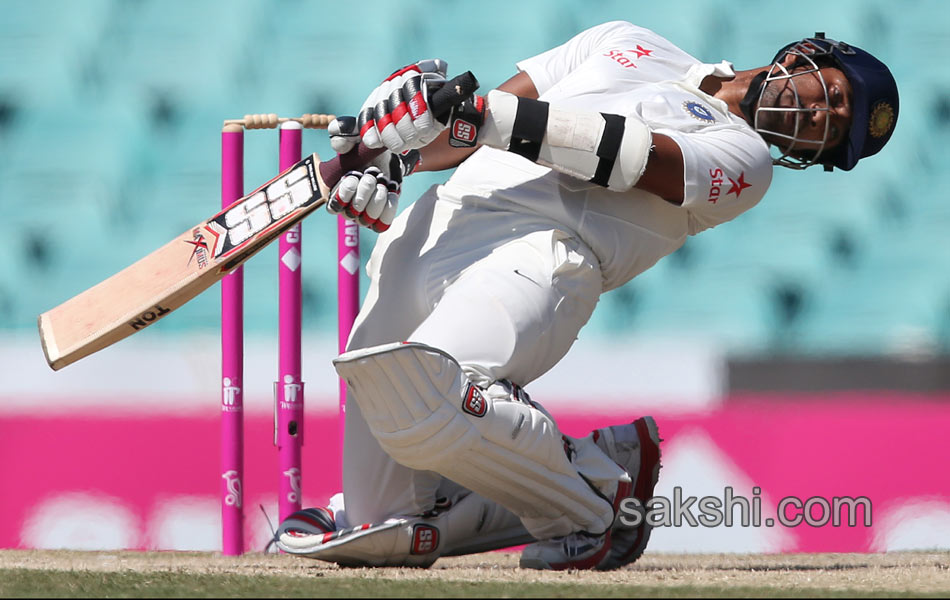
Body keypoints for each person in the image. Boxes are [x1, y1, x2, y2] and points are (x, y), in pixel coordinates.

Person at [273, 21, 898, 570]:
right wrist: (395, 147)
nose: (822, 117)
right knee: (385, 514)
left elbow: (627, 157)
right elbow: (468, 130)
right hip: (437, 228)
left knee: (425, 394)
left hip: (542, 252)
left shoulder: (747, 163)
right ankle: (582, 469)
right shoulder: (626, 40)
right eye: (834, 96)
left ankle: (596, 500)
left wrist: (468, 111)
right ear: (805, 56)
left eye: (830, 134)